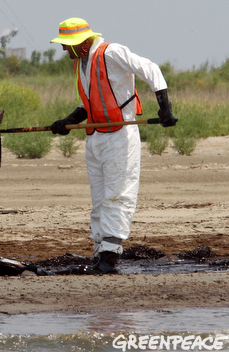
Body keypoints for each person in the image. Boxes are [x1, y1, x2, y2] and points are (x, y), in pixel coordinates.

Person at [49, 18, 176, 274]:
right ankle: (99, 252)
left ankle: (110, 256)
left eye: (68, 44)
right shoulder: (81, 63)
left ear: (83, 43)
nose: (64, 49)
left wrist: (165, 108)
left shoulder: (112, 52)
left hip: (121, 135)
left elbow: (150, 69)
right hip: (94, 138)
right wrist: (67, 121)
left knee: (118, 195)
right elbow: (89, 103)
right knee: (99, 201)